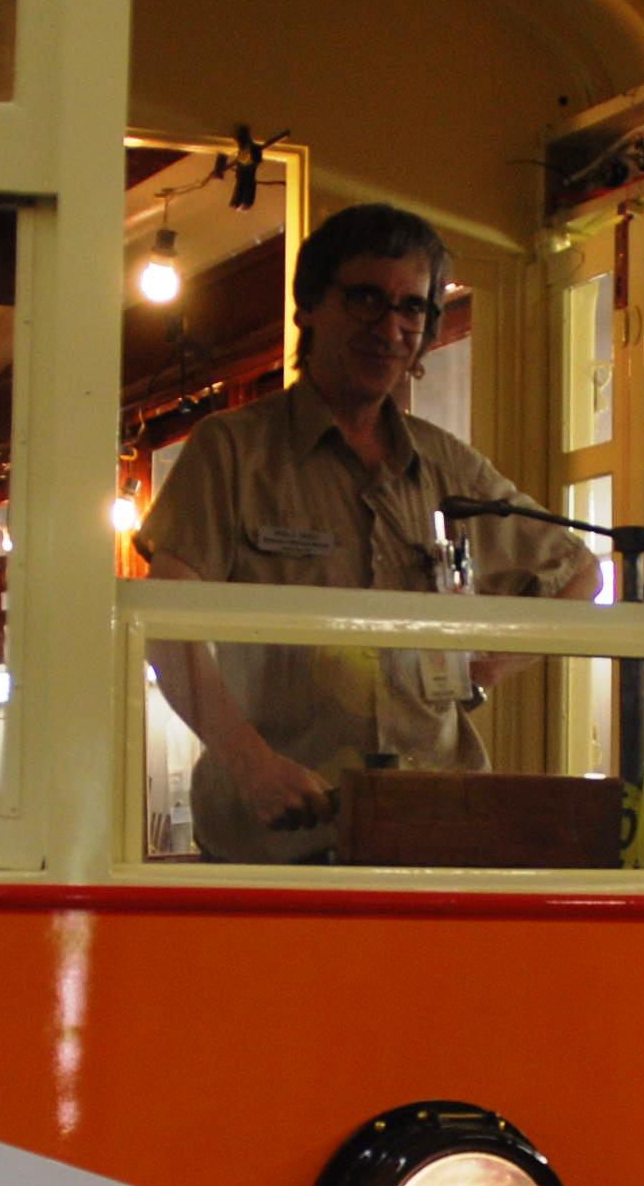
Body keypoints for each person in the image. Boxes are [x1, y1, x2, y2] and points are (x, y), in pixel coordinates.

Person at [136, 202, 598, 860]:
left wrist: (485, 671)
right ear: (309, 307)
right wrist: (251, 764)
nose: (391, 327)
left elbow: (581, 571)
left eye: (413, 308)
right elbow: (164, 621)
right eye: (366, 299)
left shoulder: (444, 466)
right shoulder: (235, 452)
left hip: (434, 835)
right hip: (278, 842)